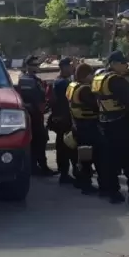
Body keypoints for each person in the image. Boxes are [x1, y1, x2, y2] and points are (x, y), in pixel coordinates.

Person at [92, 50, 129, 205]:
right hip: (122, 123)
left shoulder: (99, 78)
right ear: (114, 64)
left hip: (104, 122)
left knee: (110, 160)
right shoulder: (117, 80)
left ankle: (113, 192)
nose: (125, 66)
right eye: (122, 63)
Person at [17, 56, 55, 177]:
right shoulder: (27, 80)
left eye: (37, 64)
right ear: (28, 66)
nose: (36, 67)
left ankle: (39, 166)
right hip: (32, 116)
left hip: (34, 115)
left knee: (40, 141)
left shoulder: (31, 80)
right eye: (34, 65)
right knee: (38, 141)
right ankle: (37, 167)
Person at [66, 63, 101, 195]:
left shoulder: (73, 86)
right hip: (87, 126)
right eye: (91, 74)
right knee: (87, 156)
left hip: (77, 124)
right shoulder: (85, 90)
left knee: (81, 155)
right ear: (86, 75)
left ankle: (80, 180)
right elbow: (95, 106)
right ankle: (86, 185)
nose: (93, 77)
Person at [49, 57, 77, 186]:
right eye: (71, 66)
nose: (72, 68)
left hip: (61, 118)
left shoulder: (60, 81)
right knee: (66, 147)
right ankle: (65, 174)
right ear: (65, 67)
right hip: (64, 119)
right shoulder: (63, 83)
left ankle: (65, 173)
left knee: (63, 146)